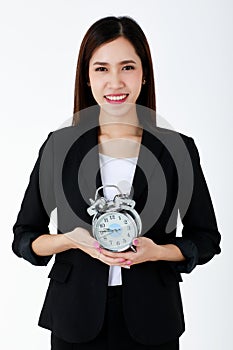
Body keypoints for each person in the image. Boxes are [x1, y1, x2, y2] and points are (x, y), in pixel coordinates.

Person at [12, 16, 221, 350]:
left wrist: (157, 253)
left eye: (127, 67)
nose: (115, 82)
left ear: (144, 74)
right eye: (101, 69)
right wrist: (71, 240)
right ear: (86, 76)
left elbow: (206, 238)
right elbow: (24, 237)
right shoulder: (59, 145)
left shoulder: (178, 148)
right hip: (75, 317)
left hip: (154, 317)